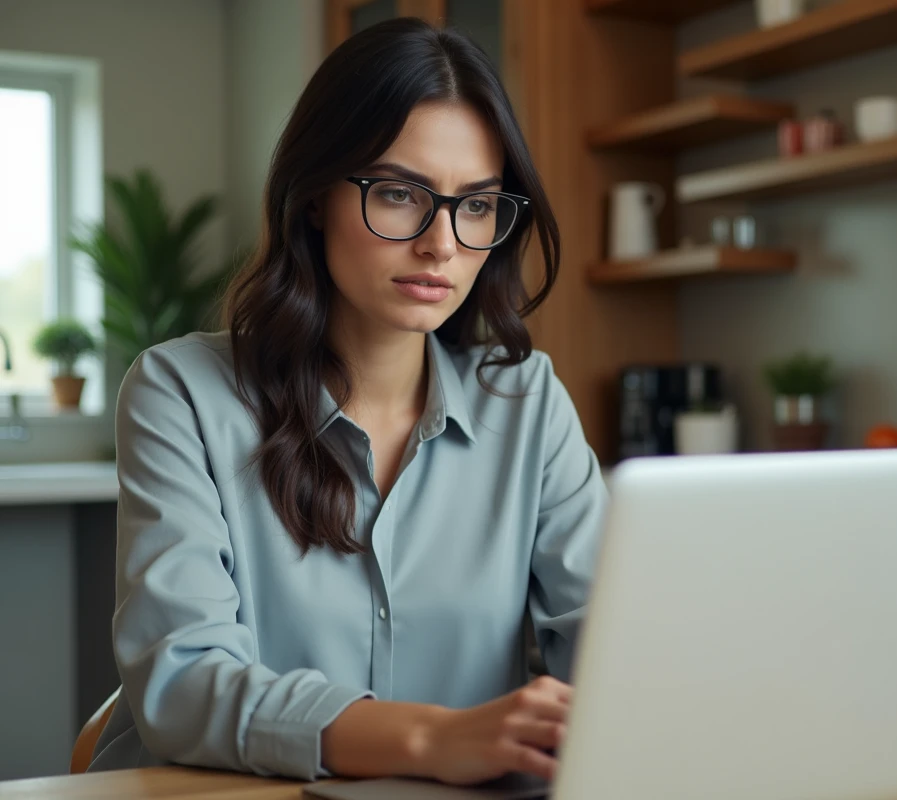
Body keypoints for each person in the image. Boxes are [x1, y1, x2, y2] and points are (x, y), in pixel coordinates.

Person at [88, 18, 606, 785]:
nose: (442, 244)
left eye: (476, 205)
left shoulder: (527, 403)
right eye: (398, 194)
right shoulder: (181, 393)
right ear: (314, 198)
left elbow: (612, 653)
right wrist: (432, 738)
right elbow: (183, 684)